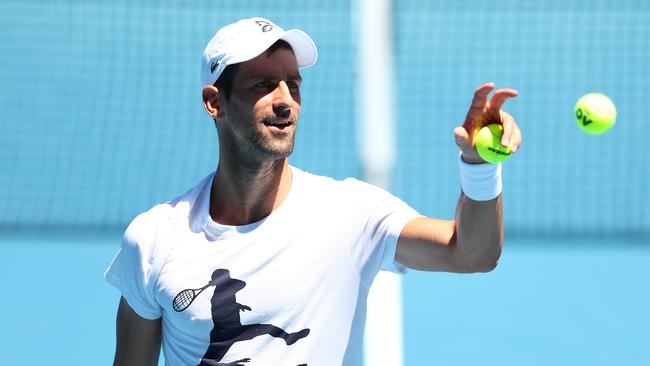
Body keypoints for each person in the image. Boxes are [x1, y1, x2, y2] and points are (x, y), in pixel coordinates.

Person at [105, 17, 522, 366]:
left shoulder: (351, 213)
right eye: (262, 85)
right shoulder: (155, 238)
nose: (285, 100)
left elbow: (471, 252)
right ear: (215, 102)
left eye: (293, 84)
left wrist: (480, 166)